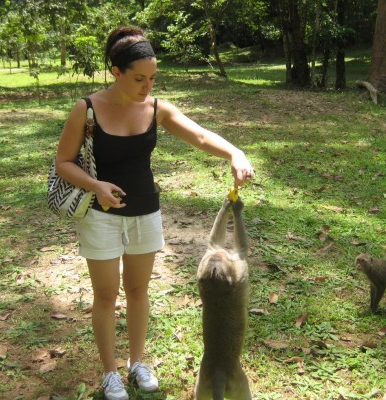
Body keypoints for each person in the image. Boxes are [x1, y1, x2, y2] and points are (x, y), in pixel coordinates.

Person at [54, 26, 254, 400]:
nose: (148, 86)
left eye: (153, 78)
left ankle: (136, 363)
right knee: (106, 295)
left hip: (145, 212)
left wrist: (234, 153)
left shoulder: (157, 108)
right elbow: (64, 162)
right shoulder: (88, 108)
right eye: (139, 78)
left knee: (138, 290)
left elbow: (199, 136)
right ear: (116, 71)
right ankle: (110, 372)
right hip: (100, 216)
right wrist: (96, 185)